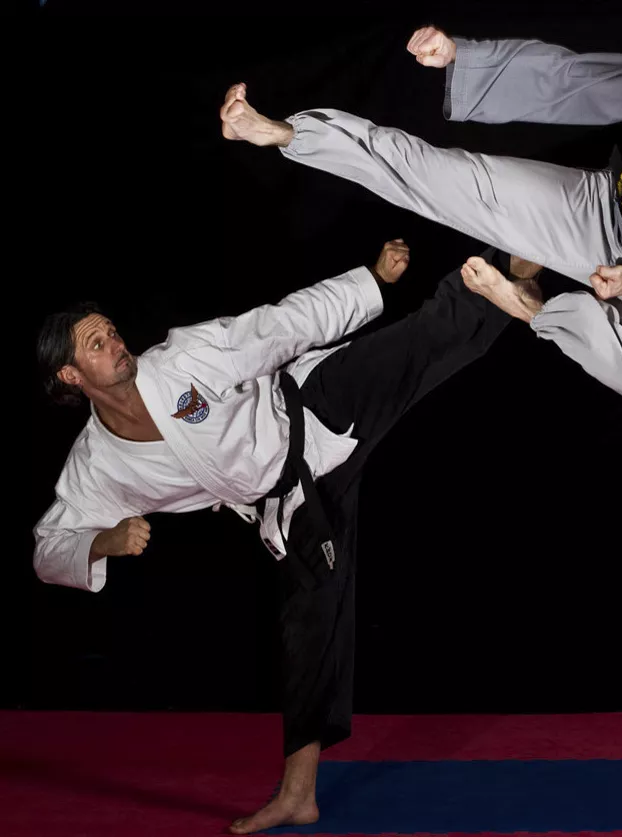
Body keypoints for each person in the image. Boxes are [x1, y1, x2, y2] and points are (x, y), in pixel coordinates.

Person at [33, 239, 542, 834]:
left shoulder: (179, 361)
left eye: (112, 333)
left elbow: (279, 327)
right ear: (70, 376)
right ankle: (299, 796)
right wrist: (103, 542)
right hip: (292, 502)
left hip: (317, 406)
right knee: (307, 633)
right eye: (97, 345)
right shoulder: (97, 466)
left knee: (428, 336)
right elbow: (48, 547)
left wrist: (370, 282)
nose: (117, 344)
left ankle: (521, 250)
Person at [219, 0, 622, 404]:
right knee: (435, 175)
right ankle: (287, 133)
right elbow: (577, 79)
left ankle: (528, 305)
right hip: (597, 213)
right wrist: (460, 55)